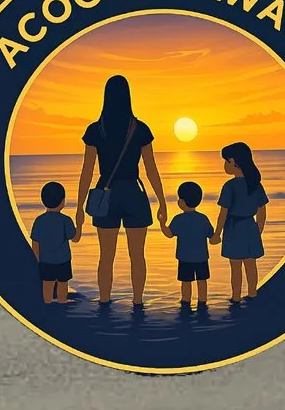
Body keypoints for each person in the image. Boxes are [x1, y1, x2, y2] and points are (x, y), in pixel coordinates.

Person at [72, 74, 165, 306]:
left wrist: (80, 206)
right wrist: (162, 201)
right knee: (137, 256)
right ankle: (138, 302)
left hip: (106, 194)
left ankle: (104, 301)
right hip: (134, 193)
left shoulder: (96, 130)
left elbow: (87, 171)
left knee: (106, 257)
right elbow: (151, 168)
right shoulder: (140, 129)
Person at [214, 143, 267, 301]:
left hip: (234, 228)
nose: (224, 165)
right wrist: (258, 230)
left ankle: (236, 296)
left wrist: (217, 234)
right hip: (250, 227)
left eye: (226, 161)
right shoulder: (255, 185)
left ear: (234, 162)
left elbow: (223, 213)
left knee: (235, 267)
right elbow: (262, 211)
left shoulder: (229, 186)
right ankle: (253, 293)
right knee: (251, 265)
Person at [162, 182, 215, 310]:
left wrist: (162, 223)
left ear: (182, 201)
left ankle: (186, 301)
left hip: (185, 257)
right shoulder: (203, 218)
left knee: (186, 281)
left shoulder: (178, 219)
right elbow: (211, 235)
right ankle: (202, 301)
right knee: (202, 280)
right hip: (201, 257)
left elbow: (169, 234)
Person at [29, 181, 77, 303]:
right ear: (63, 202)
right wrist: (79, 226)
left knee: (47, 283)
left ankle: (47, 302)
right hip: (63, 260)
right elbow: (75, 238)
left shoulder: (39, 221)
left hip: (46, 261)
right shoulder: (66, 220)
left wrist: (37, 261)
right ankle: (62, 301)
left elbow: (35, 243)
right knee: (62, 283)